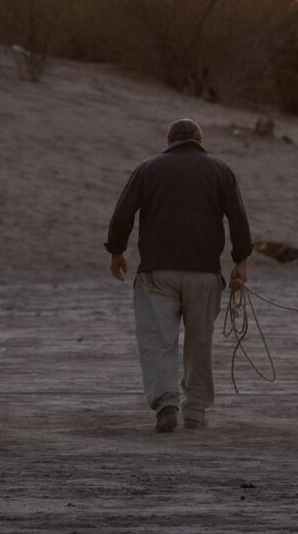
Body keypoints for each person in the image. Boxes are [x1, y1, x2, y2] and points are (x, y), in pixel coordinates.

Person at [105, 118, 252, 433]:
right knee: (200, 342)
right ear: (200, 139)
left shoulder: (148, 168)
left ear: (169, 139)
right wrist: (240, 261)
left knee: (158, 341)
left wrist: (116, 251)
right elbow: (239, 219)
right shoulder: (221, 170)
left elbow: (122, 213)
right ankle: (195, 410)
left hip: (158, 270)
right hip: (204, 273)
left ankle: (166, 406)